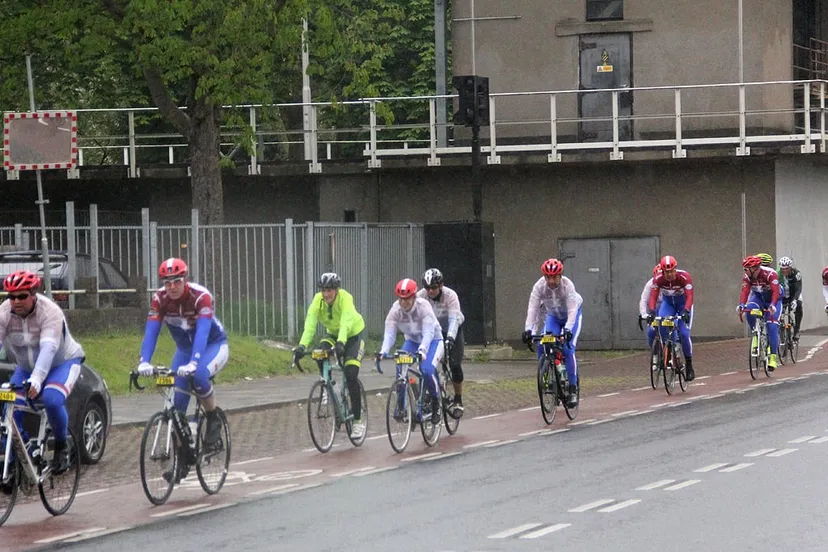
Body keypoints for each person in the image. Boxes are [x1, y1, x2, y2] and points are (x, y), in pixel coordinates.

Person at [137, 258, 228, 483]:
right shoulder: (159, 300)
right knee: (176, 411)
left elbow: (203, 332)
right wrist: (144, 362)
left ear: (185, 280)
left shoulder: (200, 296)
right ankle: (182, 461)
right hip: (184, 352)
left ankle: (213, 417)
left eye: (176, 281)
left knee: (198, 376)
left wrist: (195, 361)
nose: (172, 287)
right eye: (167, 283)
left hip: (212, 346)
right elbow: (152, 331)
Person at [0, 270, 85, 475]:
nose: (16, 301)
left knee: (52, 400)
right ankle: (16, 460)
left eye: (22, 296)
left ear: (33, 293)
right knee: (8, 410)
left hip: (62, 363)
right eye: (11, 296)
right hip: (27, 368)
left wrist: (37, 378)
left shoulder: (50, 311)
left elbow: (49, 348)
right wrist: (32, 375)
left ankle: (61, 447)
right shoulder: (4, 313)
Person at [293, 273, 366, 438]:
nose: (326, 294)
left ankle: (357, 421)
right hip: (333, 335)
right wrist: (302, 346)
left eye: (330, 291)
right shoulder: (317, 301)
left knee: (351, 373)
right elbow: (310, 325)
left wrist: (341, 342)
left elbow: (346, 321)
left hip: (353, 335)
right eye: (324, 290)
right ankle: (328, 385)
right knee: (319, 352)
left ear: (336, 290)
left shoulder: (346, 298)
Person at [378, 278, 444, 424]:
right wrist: (383, 351)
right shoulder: (395, 310)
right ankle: (401, 406)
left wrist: (423, 351)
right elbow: (389, 333)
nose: (403, 303)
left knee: (426, 370)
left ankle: (435, 403)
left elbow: (428, 333)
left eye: (407, 299)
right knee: (400, 365)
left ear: (414, 297)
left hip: (433, 340)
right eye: (401, 299)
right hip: (413, 341)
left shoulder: (423, 307)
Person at [521, 258, 583, 408]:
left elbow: (572, 311)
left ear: (560, 275)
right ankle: (548, 377)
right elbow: (533, 309)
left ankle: (573, 389)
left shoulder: (568, 286)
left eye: (554, 277)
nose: (551, 280)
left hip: (571, 317)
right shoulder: (539, 287)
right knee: (543, 343)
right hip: (553, 317)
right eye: (548, 277)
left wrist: (567, 330)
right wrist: (529, 330)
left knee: (568, 349)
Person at [417, 268, 466, 415]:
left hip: (452, 329)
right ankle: (430, 394)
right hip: (433, 333)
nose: (430, 291)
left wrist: (450, 337)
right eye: (427, 288)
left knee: (455, 364)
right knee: (427, 364)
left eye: (433, 288)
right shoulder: (421, 296)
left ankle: (458, 400)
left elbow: (454, 319)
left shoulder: (451, 295)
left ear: (441, 286)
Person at [647, 255, 696, 381]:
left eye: (672, 271)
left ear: (676, 269)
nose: (670, 274)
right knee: (662, 323)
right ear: (662, 271)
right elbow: (653, 297)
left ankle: (689, 366)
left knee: (684, 334)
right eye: (667, 272)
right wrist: (652, 311)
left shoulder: (684, 277)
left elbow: (690, 296)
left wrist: (686, 311)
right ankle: (669, 349)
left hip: (683, 305)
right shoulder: (658, 279)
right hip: (668, 304)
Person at [739, 255, 781, 371]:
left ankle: (773, 357)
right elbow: (745, 291)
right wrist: (742, 304)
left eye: (746, 269)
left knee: (771, 326)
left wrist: (772, 305)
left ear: (755, 268)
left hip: (773, 299)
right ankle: (755, 334)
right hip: (758, 298)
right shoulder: (747, 277)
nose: (745, 271)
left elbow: (776, 292)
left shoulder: (770, 274)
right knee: (750, 309)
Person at [638, 264, 663, 368]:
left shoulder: (669, 284)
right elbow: (643, 299)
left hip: (667, 307)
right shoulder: (650, 284)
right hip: (655, 309)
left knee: (668, 328)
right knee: (651, 331)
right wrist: (644, 314)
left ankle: (672, 349)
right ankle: (655, 355)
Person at [777, 256, 803, 340]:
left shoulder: (796, 273)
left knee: (799, 306)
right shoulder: (777, 274)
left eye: (786, 268)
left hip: (793, 294)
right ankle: (781, 331)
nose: (784, 270)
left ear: (790, 267)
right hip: (782, 295)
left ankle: (796, 330)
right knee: (779, 312)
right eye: (782, 269)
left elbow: (798, 288)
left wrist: (795, 300)